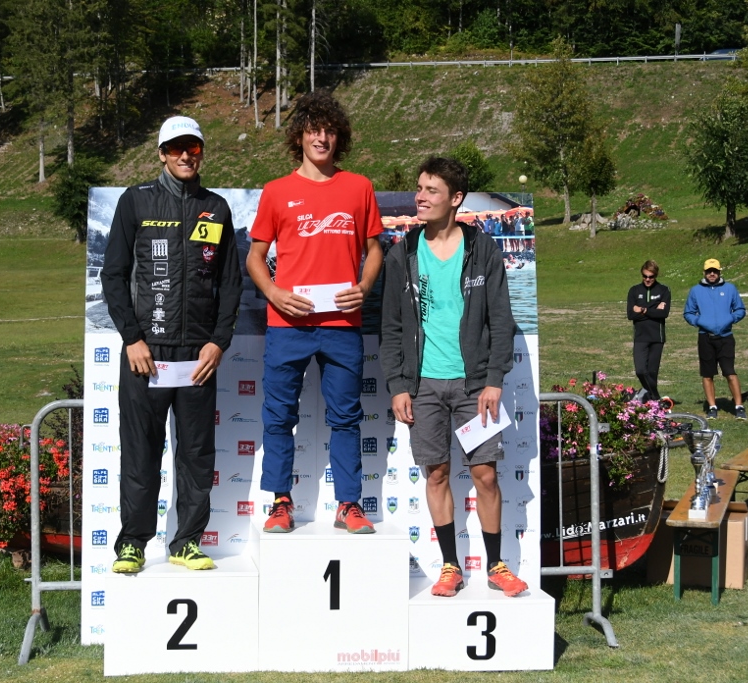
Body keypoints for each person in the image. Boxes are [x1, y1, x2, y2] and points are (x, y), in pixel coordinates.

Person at [101, 115, 242, 573]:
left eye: (193, 148)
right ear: (161, 153)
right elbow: (114, 275)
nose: (185, 155)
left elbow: (230, 282)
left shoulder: (216, 208)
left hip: (197, 357)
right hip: (146, 354)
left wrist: (218, 342)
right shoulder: (136, 200)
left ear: (201, 153)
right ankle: (132, 543)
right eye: (176, 148)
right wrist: (132, 338)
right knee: (140, 452)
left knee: (197, 454)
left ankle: (186, 542)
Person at [380, 156, 527, 598]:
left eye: (431, 191)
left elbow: (501, 321)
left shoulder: (483, 249)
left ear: (456, 198)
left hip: (474, 385)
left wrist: (495, 379)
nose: (420, 197)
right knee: (437, 474)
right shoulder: (402, 253)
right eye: (419, 188)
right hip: (423, 385)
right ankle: (450, 566)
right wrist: (398, 385)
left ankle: (497, 565)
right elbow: (391, 327)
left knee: (485, 475)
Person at [246, 90, 384, 535]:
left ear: (339, 137)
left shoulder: (359, 187)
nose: (321, 138)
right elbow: (255, 257)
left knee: (346, 418)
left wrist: (364, 287)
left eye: (329, 131)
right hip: (287, 324)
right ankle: (280, 503)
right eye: (313, 130)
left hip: (341, 324)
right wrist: (274, 293)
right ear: (299, 136)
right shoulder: (276, 191)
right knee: (278, 418)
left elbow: (374, 249)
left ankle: (349, 504)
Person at [683, 258, 746, 420]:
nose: (712, 274)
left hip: (726, 337)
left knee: (730, 372)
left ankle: (739, 406)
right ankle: (712, 407)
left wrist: (730, 319)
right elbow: (688, 313)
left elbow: (740, 309)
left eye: (715, 271)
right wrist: (699, 321)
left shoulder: (730, 288)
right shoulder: (696, 290)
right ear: (704, 272)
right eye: (709, 271)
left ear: (719, 272)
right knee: (707, 374)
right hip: (705, 337)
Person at [626, 260, 671, 402]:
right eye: (645, 276)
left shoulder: (664, 290)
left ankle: (652, 402)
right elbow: (631, 315)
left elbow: (664, 313)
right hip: (640, 337)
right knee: (640, 370)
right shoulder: (634, 290)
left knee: (652, 372)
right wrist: (653, 310)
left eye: (651, 277)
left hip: (657, 337)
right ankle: (655, 397)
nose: (647, 279)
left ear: (655, 276)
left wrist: (643, 310)